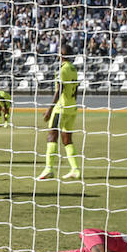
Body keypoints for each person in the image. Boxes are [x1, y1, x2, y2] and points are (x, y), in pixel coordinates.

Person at [40, 49, 82, 180]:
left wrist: (50, 109)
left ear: (62, 55)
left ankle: (49, 169)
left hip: (61, 108)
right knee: (67, 139)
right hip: (72, 108)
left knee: (51, 136)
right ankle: (75, 169)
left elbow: (59, 90)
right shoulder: (74, 69)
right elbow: (76, 90)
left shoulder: (62, 69)